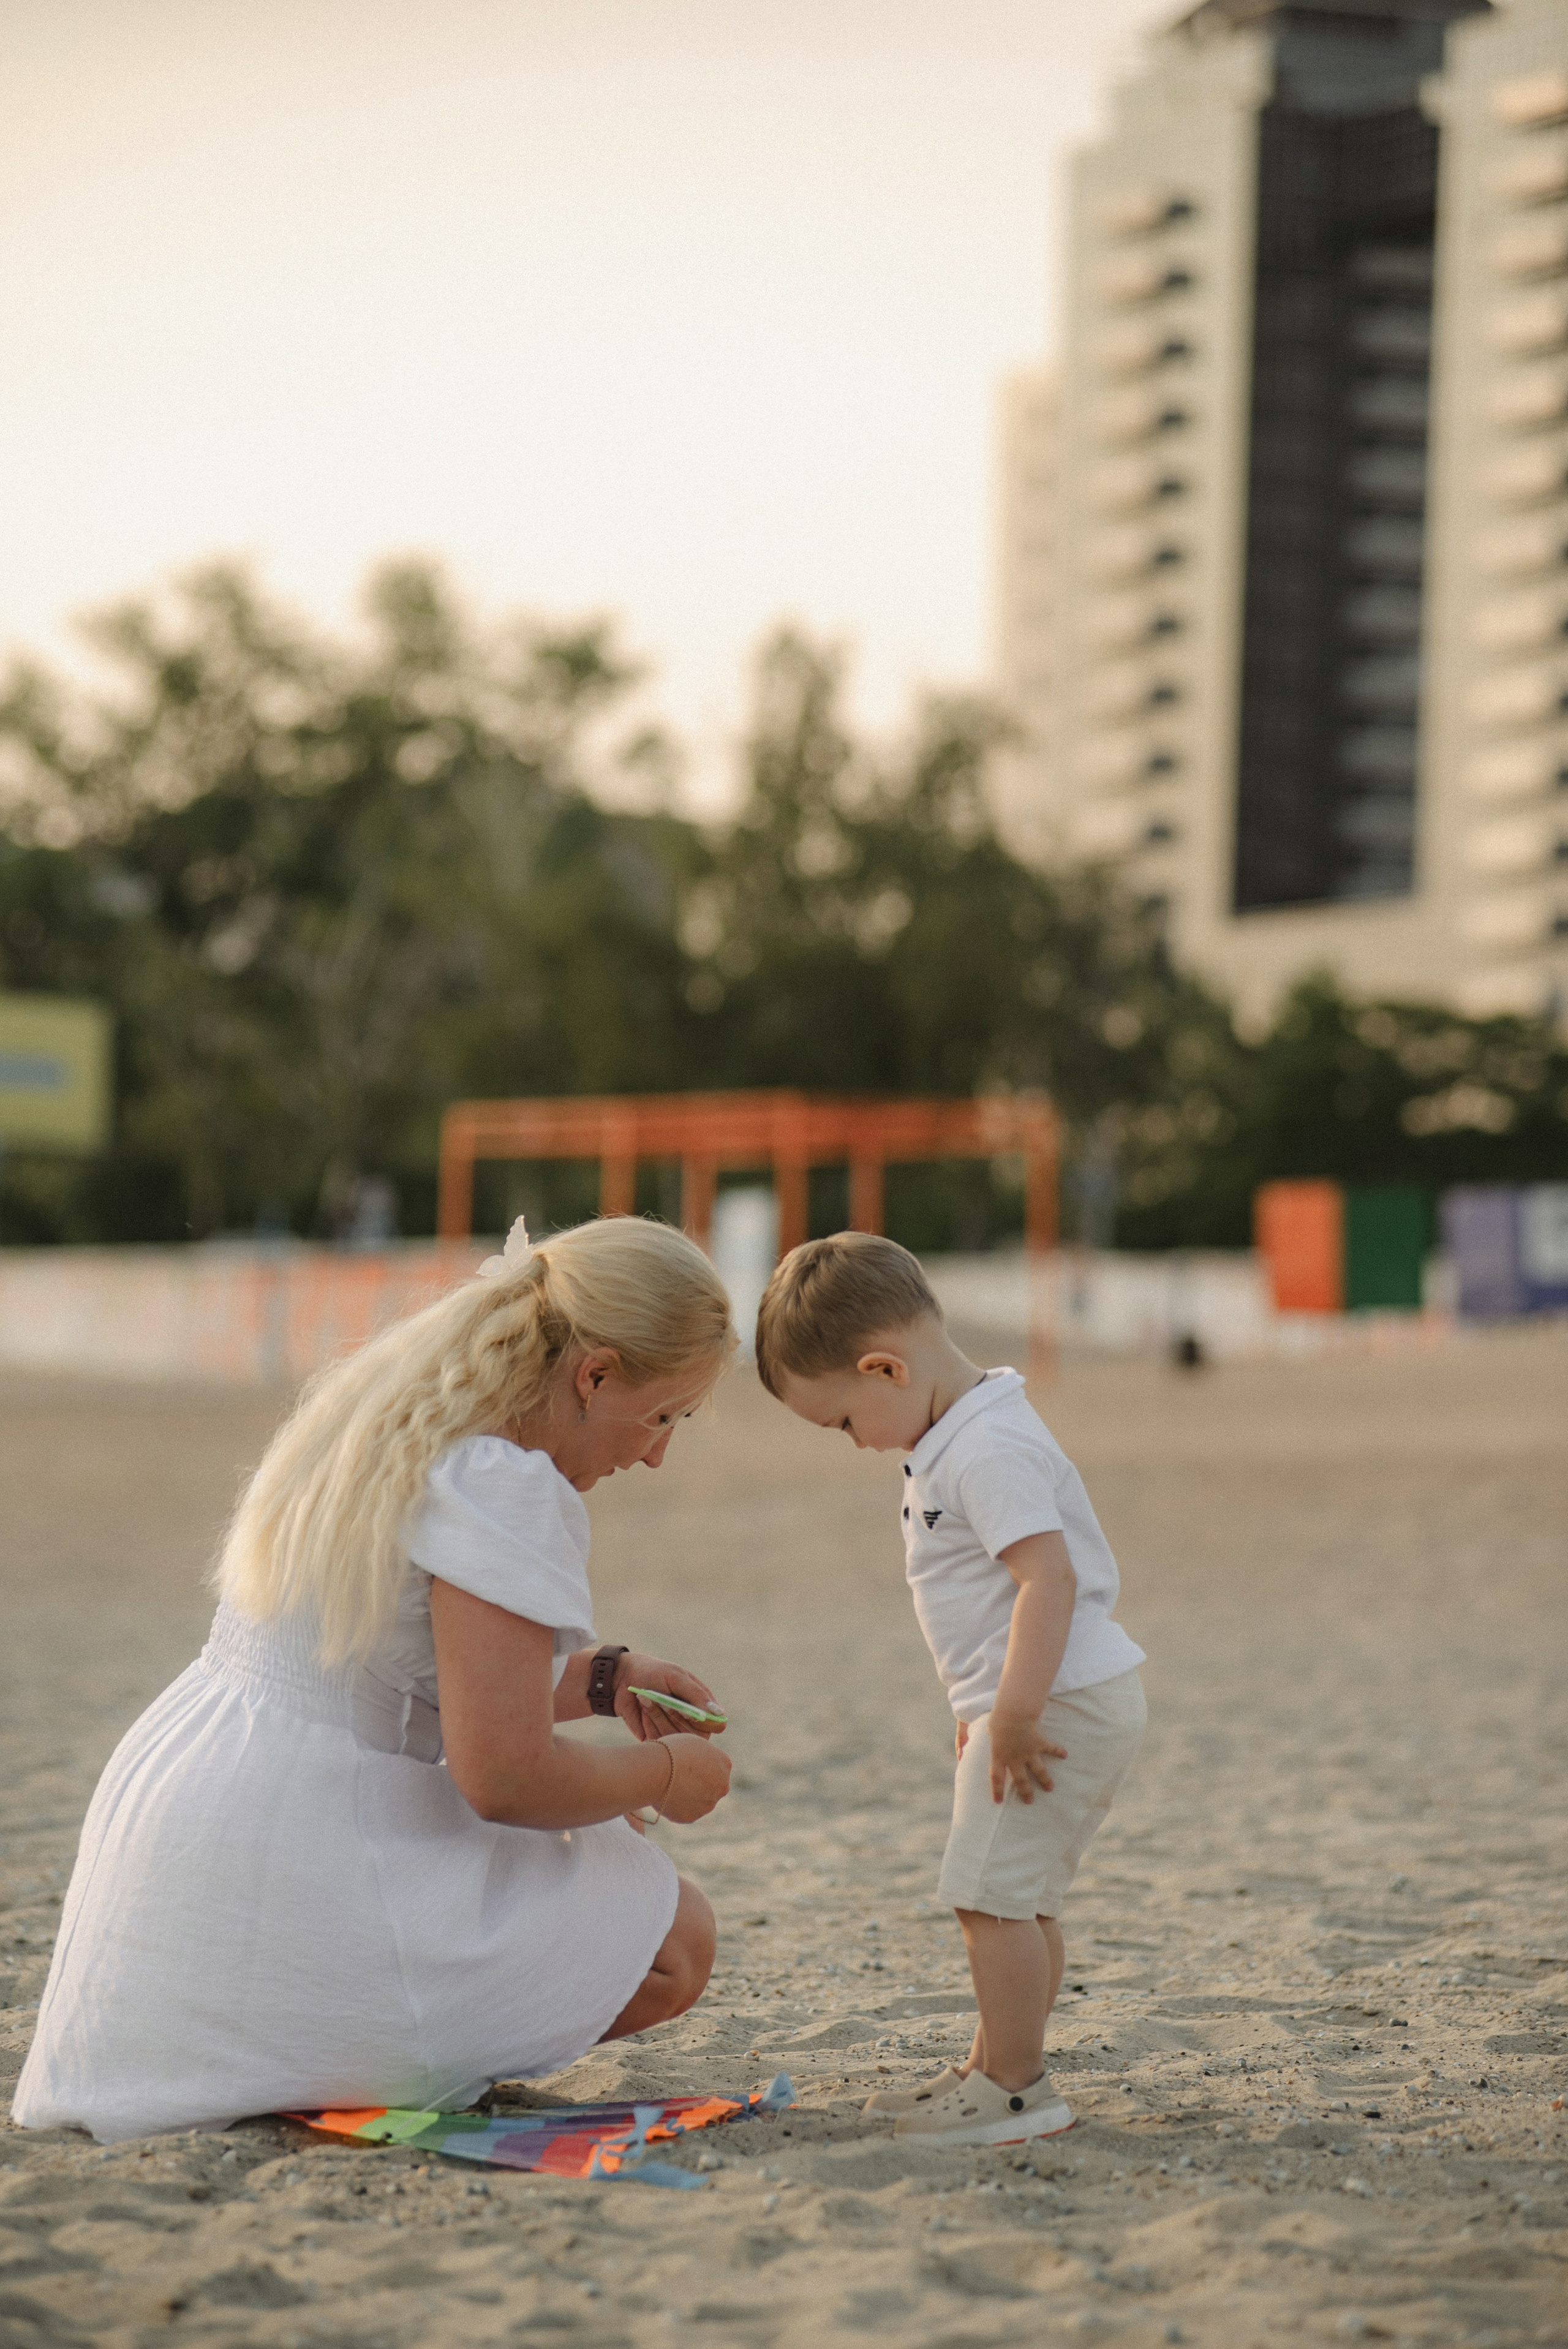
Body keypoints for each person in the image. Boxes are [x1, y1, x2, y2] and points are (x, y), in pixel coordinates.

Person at [13, 1215, 734, 2144]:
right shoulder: (504, 1480)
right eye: (664, 1415)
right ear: (593, 1375)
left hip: (200, 1815)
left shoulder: (394, 1419)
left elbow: (388, 1663)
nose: (657, 1453)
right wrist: (668, 1777)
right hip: (304, 1839)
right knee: (674, 1945)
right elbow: (504, 1776)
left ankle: (291, 2046)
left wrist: (602, 1682)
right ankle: (335, 2048)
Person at [755, 1231, 1145, 2149]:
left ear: (884, 1367)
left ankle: (1016, 2089)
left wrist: (1011, 1713)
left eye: (842, 1421)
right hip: (1047, 1698)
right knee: (1020, 1894)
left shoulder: (984, 1450)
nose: (851, 1444)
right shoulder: (959, 1434)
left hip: (1055, 1704)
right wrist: (983, 1706)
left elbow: (1045, 1580)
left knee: (989, 1899)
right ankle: (990, 2068)